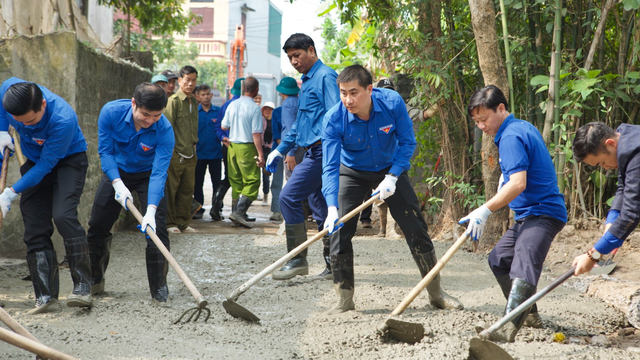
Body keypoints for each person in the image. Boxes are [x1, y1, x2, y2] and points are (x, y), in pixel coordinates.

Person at [321, 65, 463, 314]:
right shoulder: (333, 119)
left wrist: (393, 176)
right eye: (343, 93)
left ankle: (436, 293)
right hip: (351, 171)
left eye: (354, 93)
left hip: (390, 169)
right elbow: (330, 167)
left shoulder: (392, 102)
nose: (347, 100)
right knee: (339, 232)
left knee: (415, 227)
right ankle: (344, 299)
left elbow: (408, 141)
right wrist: (332, 208)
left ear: (369, 89)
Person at [461, 85, 566, 342]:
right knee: (499, 258)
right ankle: (528, 314)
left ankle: (507, 328)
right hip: (527, 215)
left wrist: (485, 210)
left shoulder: (510, 136)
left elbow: (519, 183)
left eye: (484, 119)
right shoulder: (519, 127)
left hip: (542, 212)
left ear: (501, 108)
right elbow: (515, 178)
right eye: (476, 122)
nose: (481, 126)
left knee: (524, 259)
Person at [0, 78, 91, 313]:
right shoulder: (9, 90)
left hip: (67, 160)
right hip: (34, 160)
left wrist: (10, 192)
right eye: (20, 123)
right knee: (34, 222)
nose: (27, 127)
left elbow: (46, 166)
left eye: (31, 120)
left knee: (63, 215)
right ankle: (46, 296)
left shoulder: (63, 118)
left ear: (42, 104)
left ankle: (83, 286)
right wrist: (2, 130)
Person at [86, 83, 175, 306]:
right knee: (97, 224)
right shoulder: (111, 113)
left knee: (158, 230)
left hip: (147, 176)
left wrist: (151, 210)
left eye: (157, 115)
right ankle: (95, 280)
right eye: (145, 114)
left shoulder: (164, 130)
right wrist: (117, 183)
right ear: (134, 103)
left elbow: (159, 172)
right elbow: (105, 151)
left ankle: (159, 289)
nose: (150, 120)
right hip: (117, 171)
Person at [266, 34, 340, 280]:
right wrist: (280, 149)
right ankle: (334, 265)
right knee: (322, 210)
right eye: (290, 58)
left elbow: (335, 116)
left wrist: (331, 157)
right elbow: (300, 124)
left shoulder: (325, 76)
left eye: (297, 55)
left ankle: (297, 260)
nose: (294, 61)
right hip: (311, 150)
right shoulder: (307, 81)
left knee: (287, 197)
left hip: (323, 152)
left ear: (311, 50)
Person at [571, 122, 635, 275]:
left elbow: (630, 215)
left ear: (610, 144)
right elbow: (624, 187)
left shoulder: (635, 153)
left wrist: (593, 255)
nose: (606, 168)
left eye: (602, 162)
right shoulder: (623, 139)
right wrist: (611, 222)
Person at [221, 77, 264, 228]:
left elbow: (224, 126)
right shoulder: (254, 108)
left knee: (236, 181)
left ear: (243, 88)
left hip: (232, 147)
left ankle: (236, 214)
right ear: (256, 90)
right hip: (246, 147)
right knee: (252, 180)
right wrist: (261, 154)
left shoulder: (232, 105)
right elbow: (256, 133)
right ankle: (239, 212)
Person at [164, 66, 200, 233]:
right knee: (171, 190)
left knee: (187, 189)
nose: (191, 83)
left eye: (193, 80)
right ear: (180, 81)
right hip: (175, 153)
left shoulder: (194, 101)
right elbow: (167, 128)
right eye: (187, 80)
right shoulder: (174, 102)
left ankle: (182, 222)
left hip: (190, 153)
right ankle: (170, 223)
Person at [209, 78, 244, 222]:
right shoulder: (247, 105)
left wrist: (223, 137)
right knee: (236, 179)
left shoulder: (226, 105)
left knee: (229, 177)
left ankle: (218, 208)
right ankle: (236, 211)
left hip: (227, 146)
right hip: (240, 148)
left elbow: (218, 126)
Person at [192, 84, 222, 220]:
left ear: (211, 95)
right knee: (198, 182)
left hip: (215, 153)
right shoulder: (194, 113)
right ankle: (198, 208)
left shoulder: (218, 111)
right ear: (198, 96)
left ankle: (216, 208)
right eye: (203, 95)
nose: (206, 97)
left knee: (217, 182)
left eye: (208, 94)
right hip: (199, 153)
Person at [260, 102, 275, 206]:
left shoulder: (275, 122)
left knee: (266, 174)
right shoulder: (260, 121)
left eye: (269, 109)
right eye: (265, 109)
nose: (267, 111)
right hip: (259, 149)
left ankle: (266, 196)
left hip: (270, 151)